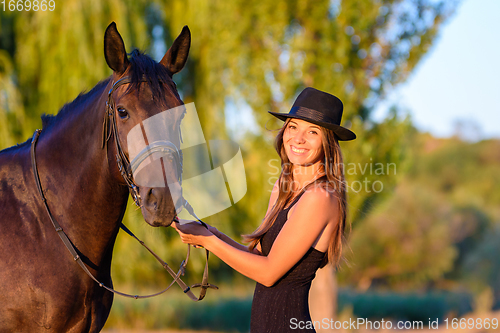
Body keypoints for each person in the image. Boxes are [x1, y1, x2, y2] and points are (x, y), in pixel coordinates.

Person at [173, 87, 356, 332]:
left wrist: (208, 242)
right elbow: (259, 258)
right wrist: (211, 233)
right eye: (293, 127)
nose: (298, 138)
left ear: (328, 141)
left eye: (312, 131)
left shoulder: (320, 196)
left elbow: (269, 273)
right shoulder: (283, 186)